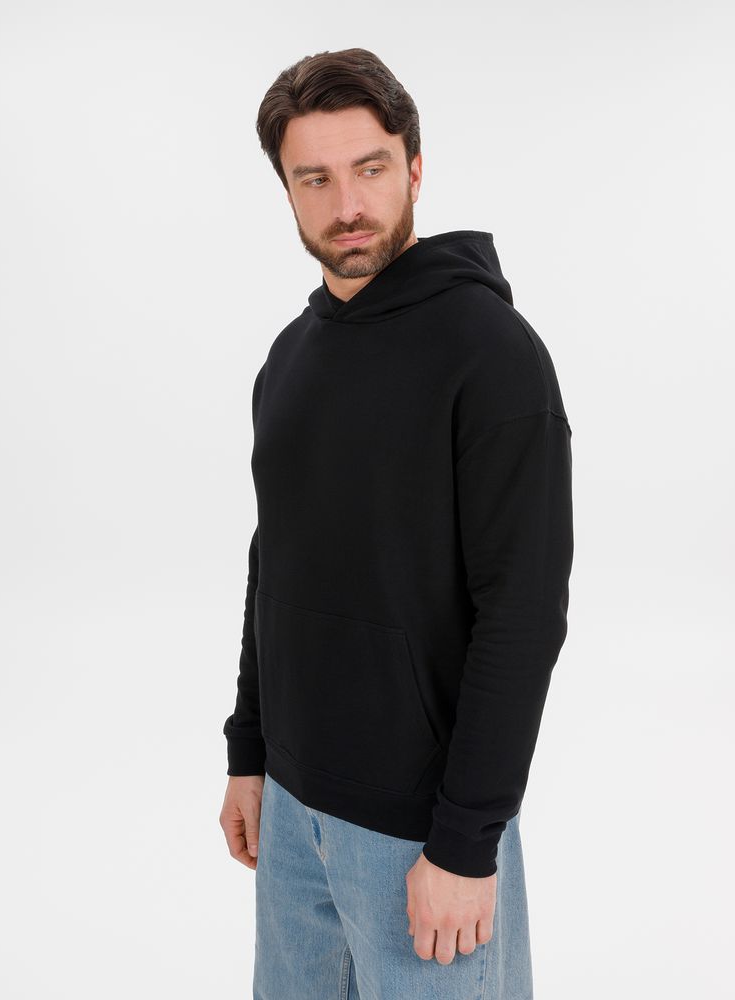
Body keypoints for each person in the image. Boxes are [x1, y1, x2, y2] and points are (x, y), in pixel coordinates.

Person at [219, 47, 574, 1000]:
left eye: (369, 168)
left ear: (415, 168)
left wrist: (466, 841)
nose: (348, 205)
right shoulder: (290, 358)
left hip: (420, 834)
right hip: (290, 817)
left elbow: (523, 614)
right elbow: (274, 564)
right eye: (315, 179)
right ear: (287, 192)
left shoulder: (492, 354)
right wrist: (250, 752)